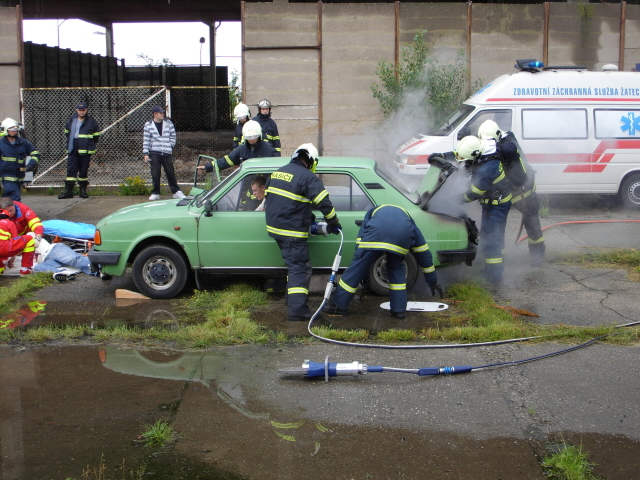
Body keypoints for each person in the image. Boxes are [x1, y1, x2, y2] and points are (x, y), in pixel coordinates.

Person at [323, 205, 444, 319]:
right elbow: (423, 252)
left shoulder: (372, 213)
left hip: (376, 235)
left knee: (357, 268)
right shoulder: (408, 220)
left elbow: (360, 244)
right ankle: (399, 310)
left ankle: (338, 306)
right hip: (400, 238)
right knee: (397, 269)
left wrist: (362, 273)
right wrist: (432, 280)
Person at [265, 143, 341, 322]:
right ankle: (298, 311)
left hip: (275, 229)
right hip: (291, 232)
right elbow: (324, 202)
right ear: (312, 160)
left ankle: (291, 301)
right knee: (300, 268)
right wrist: (333, 222)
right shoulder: (308, 177)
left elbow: (286, 201)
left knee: (292, 266)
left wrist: (308, 218)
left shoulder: (278, 172)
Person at [478, 120, 545, 266]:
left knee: (529, 224)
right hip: (520, 189)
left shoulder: (503, 149)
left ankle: (536, 256)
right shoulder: (507, 138)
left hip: (522, 191)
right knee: (531, 223)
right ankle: (536, 256)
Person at [455, 135, 512, 284]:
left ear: (474, 156)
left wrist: (456, 200)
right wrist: (442, 156)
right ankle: (491, 269)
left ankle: (494, 278)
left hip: (497, 205)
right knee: (489, 236)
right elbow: (463, 153)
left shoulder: (488, 169)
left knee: (493, 239)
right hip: (492, 203)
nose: (466, 164)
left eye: (467, 161)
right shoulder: (482, 149)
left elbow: (473, 193)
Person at [197, 120, 278, 173]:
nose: (252, 140)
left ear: (259, 135)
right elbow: (226, 161)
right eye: (249, 138)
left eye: (254, 137)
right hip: (247, 188)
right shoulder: (241, 150)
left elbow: (278, 167)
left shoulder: (269, 150)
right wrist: (208, 167)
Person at [58, 102, 101, 200]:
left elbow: (96, 135)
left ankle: (83, 191)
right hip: (73, 147)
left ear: (86, 110)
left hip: (85, 148)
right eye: (79, 110)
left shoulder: (91, 121)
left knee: (83, 170)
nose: (81, 112)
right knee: (71, 170)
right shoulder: (71, 120)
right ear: (76, 110)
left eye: (83, 110)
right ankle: (68, 191)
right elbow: (67, 132)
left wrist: (90, 144)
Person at [143, 106, 184, 201]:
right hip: (154, 152)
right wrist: (146, 153)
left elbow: (173, 136)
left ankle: (176, 191)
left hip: (166, 152)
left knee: (170, 172)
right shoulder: (148, 124)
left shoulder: (168, 123)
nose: (163, 114)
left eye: (163, 113)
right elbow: (146, 139)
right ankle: (155, 192)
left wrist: (170, 146)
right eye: (160, 113)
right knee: (155, 173)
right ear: (155, 114)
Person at [32, 237, 108, 281]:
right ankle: (61, 273)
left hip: (52, 250)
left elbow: (36, 241)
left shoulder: (28, 236)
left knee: (73, 259)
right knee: (36, 267)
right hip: (45, 260)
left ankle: (100, 269)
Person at [0, 118, 40, 202]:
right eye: (12, 129)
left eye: (16, 129)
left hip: (19, 178)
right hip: (7, 179)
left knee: (7, 201)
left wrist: (31, 164)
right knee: (15, 200)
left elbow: (36, 154)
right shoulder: (1, 144)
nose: (15, 131)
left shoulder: (23, 143)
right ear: (6, 130)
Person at [0, 208, 36, 276]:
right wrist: (12, 258)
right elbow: (14, 240)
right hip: (4, 247)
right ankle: (25, 270)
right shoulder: (9, 223)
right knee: (29, 239)